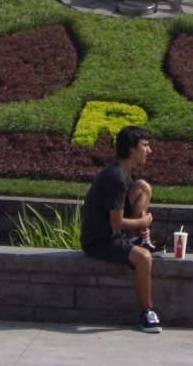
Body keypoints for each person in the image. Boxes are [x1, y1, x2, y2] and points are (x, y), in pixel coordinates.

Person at [79, 124, 164, 333]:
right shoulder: (116, 178)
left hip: (112, 234)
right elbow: (116, 223)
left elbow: (123, 214)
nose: (149, 150)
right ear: (131, 149)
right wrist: (142, 223)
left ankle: (136, 240)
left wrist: (138, 226)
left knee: (143, 187)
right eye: (145, 145)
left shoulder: (123, 172)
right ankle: (147, 313)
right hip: (99, 241)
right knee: (144, 259)